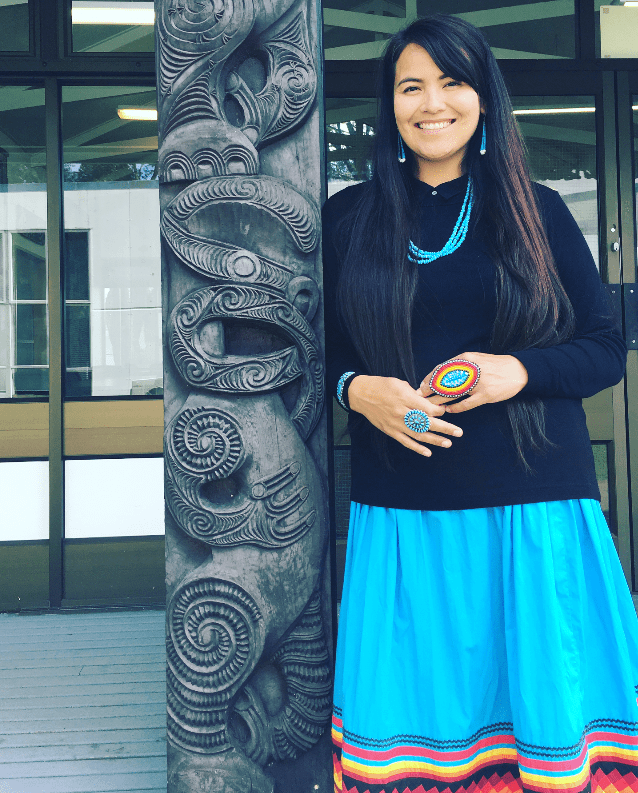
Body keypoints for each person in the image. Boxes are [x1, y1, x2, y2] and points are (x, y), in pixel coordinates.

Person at [322, 14, 638, 793]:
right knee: (412, 744)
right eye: (411, 85)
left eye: (453, 81)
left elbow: (604, 347)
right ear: (389, 104)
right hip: (405, 509)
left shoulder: (536, 209)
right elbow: (318, 353)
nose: (433, 102)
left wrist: (515, 373)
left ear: (484, 97)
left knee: (546, 737)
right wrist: (358, 391)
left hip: (533, 512)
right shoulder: (348, 218)